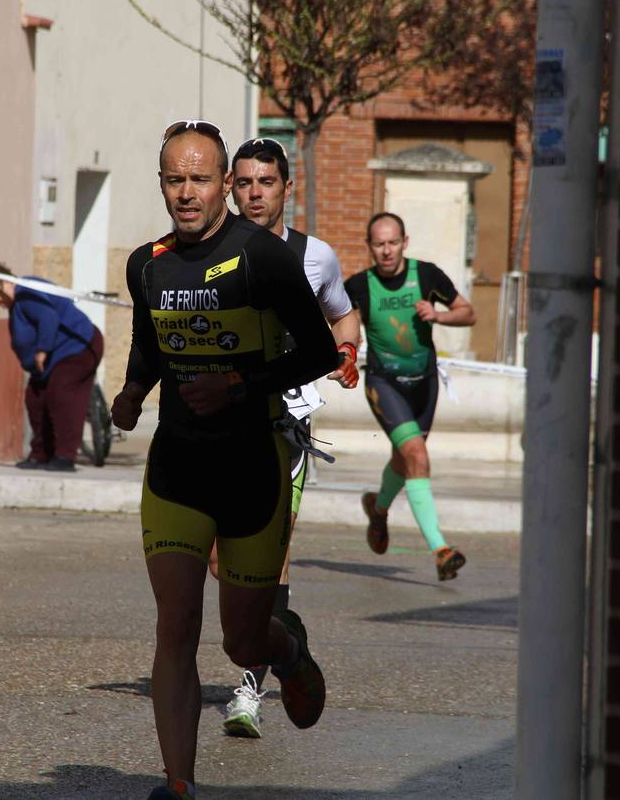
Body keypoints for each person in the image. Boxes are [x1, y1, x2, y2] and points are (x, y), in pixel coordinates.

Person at [112, 120, 339, 800]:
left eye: (202, 179)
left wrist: (238, 385)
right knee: (175, 624)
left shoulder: (261, 257)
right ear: (162, 184)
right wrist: (131, 390)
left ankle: (288, 650)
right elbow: (150, 343)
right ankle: (178, 783)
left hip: (252, 466)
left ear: (224, 187)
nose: (188, 193)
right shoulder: (145, 263)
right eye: (175, 180)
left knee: (241, 644)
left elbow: (320, 352)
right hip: (178, 466)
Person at [215, 137, 360, 741]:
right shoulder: (208, 254)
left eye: (265, 182)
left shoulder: (314, 256)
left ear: (285, 187)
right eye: (244, 182)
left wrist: (347, 350)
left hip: (285, 425)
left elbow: (342, 315)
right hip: (219, 423)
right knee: (223, 561)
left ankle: (248, 690)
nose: (254, 193)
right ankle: (282, 642)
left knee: (268, 555)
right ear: (231, 186)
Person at [344, 212, 476, 581]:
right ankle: (440, 549)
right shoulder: (358, 286)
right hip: (385, 384)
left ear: (405, 242)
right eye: (378, 244)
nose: (386, 251)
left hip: (425, 384)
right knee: (416, 454)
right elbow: (342, 324)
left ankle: (378, 505)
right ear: (369, 246)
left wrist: (438, 315)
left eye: (392, 242)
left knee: (406, 462)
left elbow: (468, 313)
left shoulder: (427, 275)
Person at [0, 263, 103, 472]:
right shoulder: (17, 304)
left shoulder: (26, 291)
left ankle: (65, 456)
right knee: (36, 399)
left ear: (3, 283)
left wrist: (42, 350)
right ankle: (40, 454)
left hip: (78, 347)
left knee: (61, 394)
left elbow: (48, 318)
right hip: (49, 362)